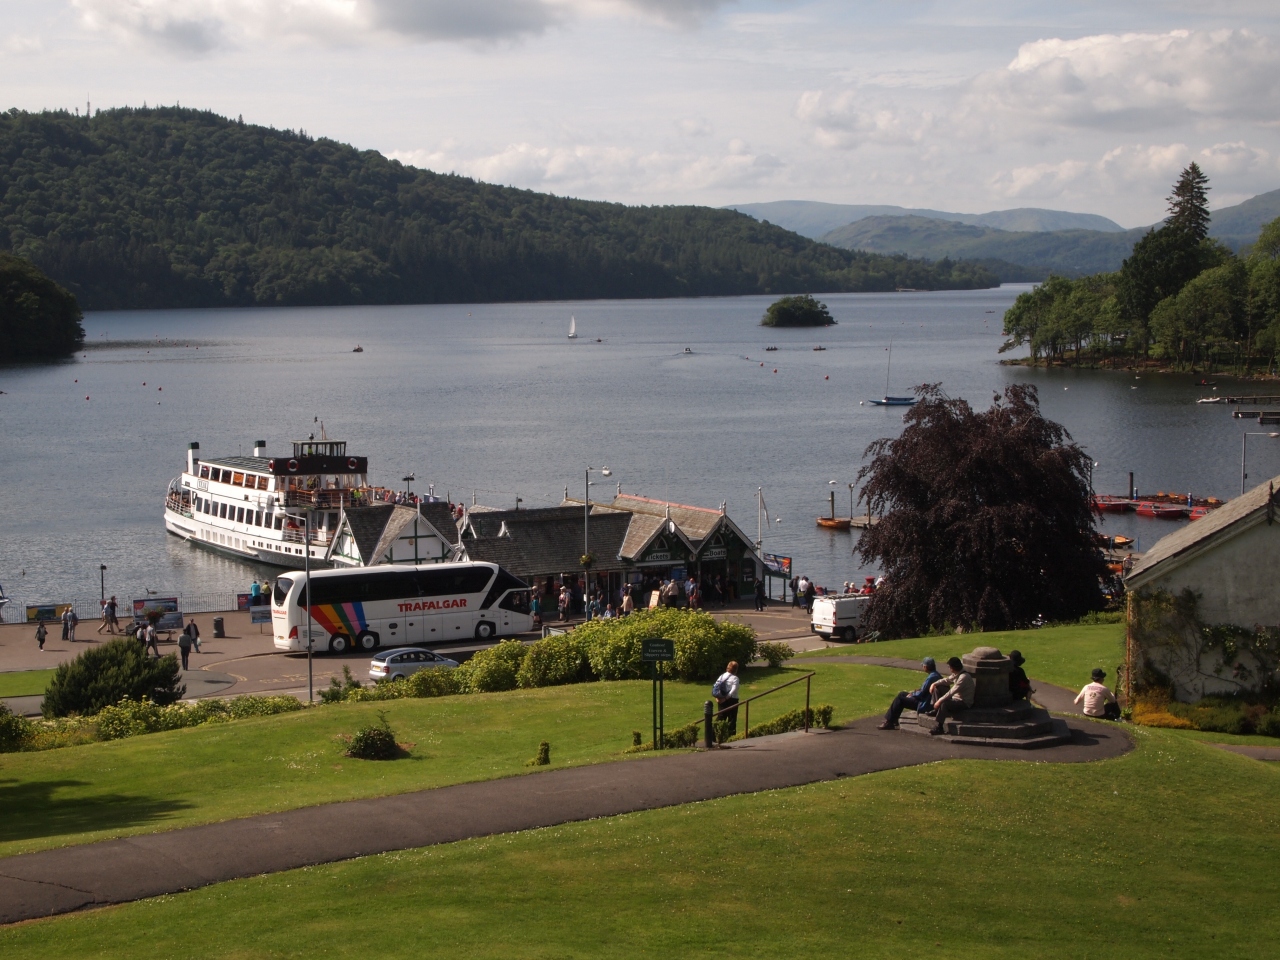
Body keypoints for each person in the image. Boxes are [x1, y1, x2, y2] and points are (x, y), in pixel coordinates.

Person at [878, 657, 942, 730]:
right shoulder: (936, 675)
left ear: (925, 667)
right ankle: (893, 719)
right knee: (902, 694)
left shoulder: (931, 677)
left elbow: (922, 693)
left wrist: (912, 695)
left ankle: (889, 722)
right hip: (926, 700)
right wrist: (914, 693)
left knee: (900, 699)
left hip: (924, 704)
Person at [929, 657, 975, 735]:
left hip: (963, 702)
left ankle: (939, 727)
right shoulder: (957, 673)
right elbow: (947, 680)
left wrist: (939, 701)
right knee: (938, 687)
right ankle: (937, 711)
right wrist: (934, 683)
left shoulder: (963, 677)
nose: (949, 668)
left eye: (949, 667)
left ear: (953, 667)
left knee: (944, 703)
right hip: (955, 699)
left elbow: (952, 692)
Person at [713, 661, 741, 736]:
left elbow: (715, 686)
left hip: (721, 700)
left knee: (721, 717)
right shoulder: (735, 678)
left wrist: (717, 697)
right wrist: (726, 698)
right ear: (736, 669)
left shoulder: (722, 676)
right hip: (732, 700)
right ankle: (731, 737)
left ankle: (713, 734)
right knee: (732, 720)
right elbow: (733, 690)